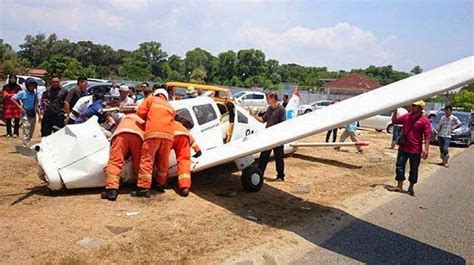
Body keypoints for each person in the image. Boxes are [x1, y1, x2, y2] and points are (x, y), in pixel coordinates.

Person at [132, 88, 175, 197]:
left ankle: (143, 188)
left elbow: (140, 112)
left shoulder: (151, 99)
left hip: (153, 133)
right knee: (163, 161)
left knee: (147, 159)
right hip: (169, 136)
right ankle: (160, 184)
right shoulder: (170, 106)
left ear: (156, 94)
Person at [102, 114, 145, 201]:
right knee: (139, 162)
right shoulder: (141, 119)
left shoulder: (124, 118)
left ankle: (112, 189)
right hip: (138, 136)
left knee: (115, 161)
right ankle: (140, 185)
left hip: (121, 134)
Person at [391, 100, 431, 196]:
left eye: (415, 106)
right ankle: (399, 186)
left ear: (420, 108)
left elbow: (427, 136)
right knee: (399, 166)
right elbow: (395, 121)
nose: (412, 107)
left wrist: (426, 149)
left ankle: (411, 187)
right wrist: (395, 111)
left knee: (414, 169)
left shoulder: (424, 120)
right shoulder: (407, 116)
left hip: (415, 150)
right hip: (403, 147)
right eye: (412, 105)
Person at [157, 117, 201, 197]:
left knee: (163, 159)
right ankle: (185, 187)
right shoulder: (182, 127)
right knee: (184, 160)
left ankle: (162, 183)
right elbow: (190, 137)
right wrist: (197, 149)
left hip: (168, 136)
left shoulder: (167, 123)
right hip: (183, 137)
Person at [251, 92, 286, 181]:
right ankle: (259, 174)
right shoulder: (269, 109)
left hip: (277, 137)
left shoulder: (281, 109)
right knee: (264, 156)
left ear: (273, 98)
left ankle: (280, 176)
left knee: (279, 157)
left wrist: (278, 135)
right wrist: (254, 116)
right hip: (268, 136)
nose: (267, 100)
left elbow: (283, 124)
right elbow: (263, 119)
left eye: (268, 98)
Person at [12, 78, 39, 147]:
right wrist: (20, 107)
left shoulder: (36, 94)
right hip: (26, 114)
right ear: (27, 86)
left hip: (33, 114)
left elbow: (37, 104)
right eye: (31, 85)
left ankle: (27, 142)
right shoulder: (22, 93)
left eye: (33, 85)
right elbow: (13, 98)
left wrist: (39, 113)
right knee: (26, 130)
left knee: (31, 131)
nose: (32, 87)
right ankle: (25, 145)